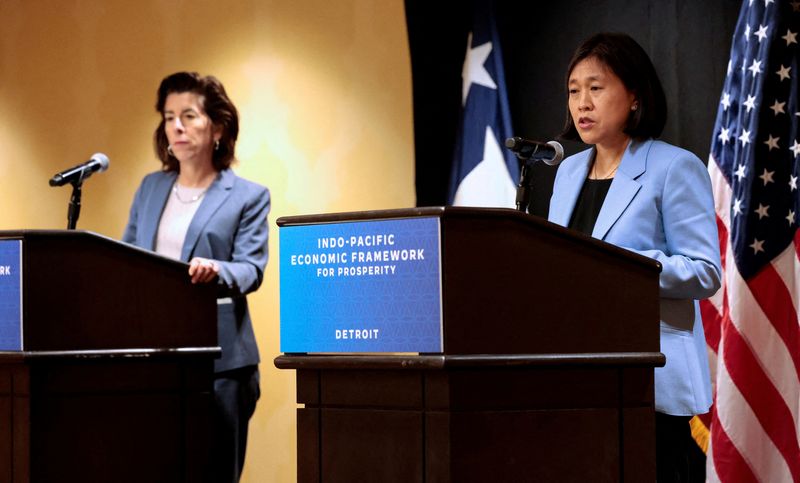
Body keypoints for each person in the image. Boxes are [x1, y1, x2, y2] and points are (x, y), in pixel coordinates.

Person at [548, 33, 721, 482]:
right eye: (573, 90)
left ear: (635, 97)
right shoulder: (566, 172)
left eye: (596, 87)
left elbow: (704, 272)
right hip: (577, 380)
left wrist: (619, 265)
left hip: (649, 383)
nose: (582, 103)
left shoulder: (673, 167)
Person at [123, 71, 269, 482]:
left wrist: (216, 268)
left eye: (188, 115)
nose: (176, 126)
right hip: (156, 358)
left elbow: (251, 268)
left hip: (221, 363)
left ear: (218, 126)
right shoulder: (150, 187)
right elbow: (128, 256)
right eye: (169, 117)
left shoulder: (247, 196)